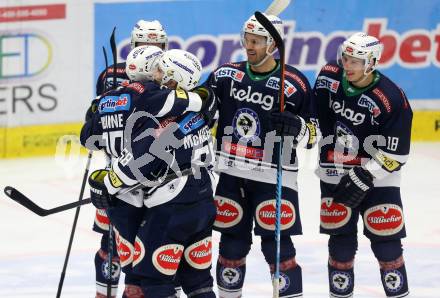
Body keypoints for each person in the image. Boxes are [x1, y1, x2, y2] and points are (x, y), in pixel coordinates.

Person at [85, 49, 217, 297]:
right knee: (198, 281)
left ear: (172, 81)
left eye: (159, 71)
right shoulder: (199, 109)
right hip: (203, 200)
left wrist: (107, 184)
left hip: (171, 205)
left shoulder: (162, 118)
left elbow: (140, 163)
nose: (153, 75)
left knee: (153, 280)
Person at [205, 13, 315, 297]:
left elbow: (315, 135)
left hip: (275, 175)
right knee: (231, 245)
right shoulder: (224, 75)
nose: (249, 46)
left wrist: (298, 126)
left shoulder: (295, 82)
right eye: (247, 40)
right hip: (231, 173)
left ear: (273, 45)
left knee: (278, 247)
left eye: (256, 41)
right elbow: (201, 111)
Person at [312, 32, 412, 298]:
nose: (348, 65)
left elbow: (397, 155)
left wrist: (365, 174)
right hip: (334, 171)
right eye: (346, 58)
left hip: (379, 177)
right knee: (340, 244)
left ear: (372, 62)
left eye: (356, 61)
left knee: (386, 242)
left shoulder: (391, 97)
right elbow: (314, 116)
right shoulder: (328, 77)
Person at [91, 20, 169, 298]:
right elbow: (96, 124)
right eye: (144, 46)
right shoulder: (111, 76)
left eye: (157, 46)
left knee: (150, 246)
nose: (152, 52)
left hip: (155, 178)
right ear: (133, 46)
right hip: (118, 172)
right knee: (111, 241)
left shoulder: (171, 74)